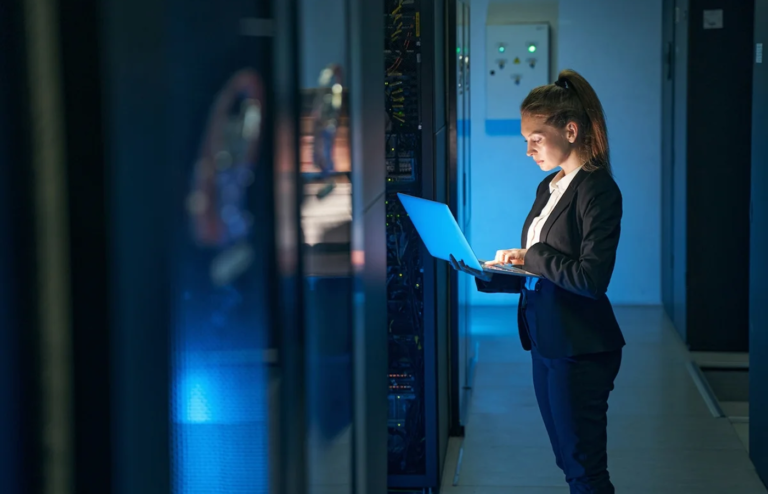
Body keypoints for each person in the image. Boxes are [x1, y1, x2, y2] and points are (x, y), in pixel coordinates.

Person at [450, 68, 625, 493]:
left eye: (535, 138)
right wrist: (489, 273)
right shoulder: (550, 186)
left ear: (570, 130)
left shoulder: (599, 191)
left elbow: (590, 278)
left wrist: (533, 255)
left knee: (585, 469)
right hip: (546, 338)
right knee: (569, 462)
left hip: (580, 346)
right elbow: (541, 274)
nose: (528, 150)